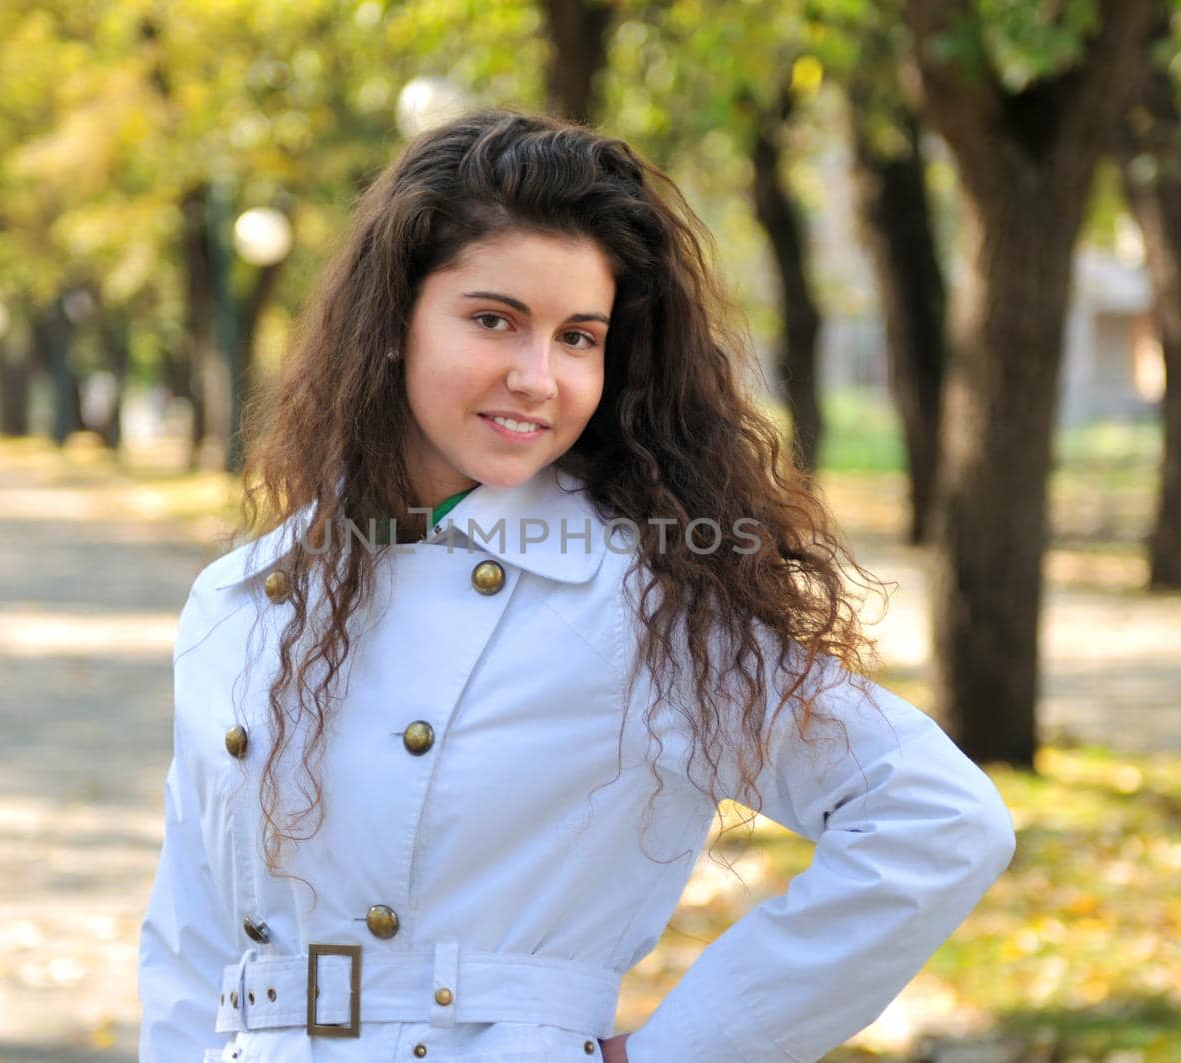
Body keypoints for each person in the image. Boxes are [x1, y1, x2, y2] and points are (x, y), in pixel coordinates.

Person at [138, 109, 1016, 1063]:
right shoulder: (241, 597)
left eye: (578, 337)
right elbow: (191, 947)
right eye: (492, 320)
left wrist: (677, 1052)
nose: (538, 377)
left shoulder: (636, 603)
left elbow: (936, 817)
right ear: (392, 323)